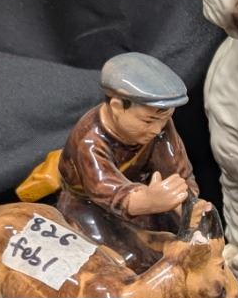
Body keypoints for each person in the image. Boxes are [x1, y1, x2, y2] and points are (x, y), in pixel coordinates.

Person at [52, 52, 203, 270]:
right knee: (127, 259)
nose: (157, 129)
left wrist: (188, 204)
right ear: (117, 107)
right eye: (148, 121)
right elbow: (107, 191)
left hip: (147, 194)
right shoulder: (89, 140)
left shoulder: (160, 128)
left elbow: (177, 172)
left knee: (184, 238)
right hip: (90, 204)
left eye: (164, 120)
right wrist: (148, 201)